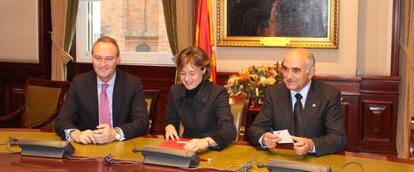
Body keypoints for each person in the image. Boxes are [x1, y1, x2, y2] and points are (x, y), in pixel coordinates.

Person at [246, 48, 347, 156]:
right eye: (285, 69)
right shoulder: (274, 93)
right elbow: (254, 129)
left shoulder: (328, 95)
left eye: (296, 70)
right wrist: (264, 138)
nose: (288, 76)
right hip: (281, 159)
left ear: (311, 73)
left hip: (314, 163)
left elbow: (339, 138)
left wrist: (312, 145)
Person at [55, 36, 149, 144]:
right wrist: (76, 134)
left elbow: (142, 122)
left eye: (109, 59)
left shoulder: (132, 84)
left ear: (118, 60)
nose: (103, 64)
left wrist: (115, 134)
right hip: (87, 147)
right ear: (92, 59)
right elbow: (62, 120)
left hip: (120, 146)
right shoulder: (79, 83)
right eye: (98, 58)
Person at [164, 46, 236, 151]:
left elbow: (229, 130)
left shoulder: (218, 93)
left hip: (212, 148)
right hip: (186, 147)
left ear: (203, 70)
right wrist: (169, 126)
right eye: (182, 73)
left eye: (192, 73)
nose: (187, 79)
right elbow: (170, 120)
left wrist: (206, 141)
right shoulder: (175, 91)